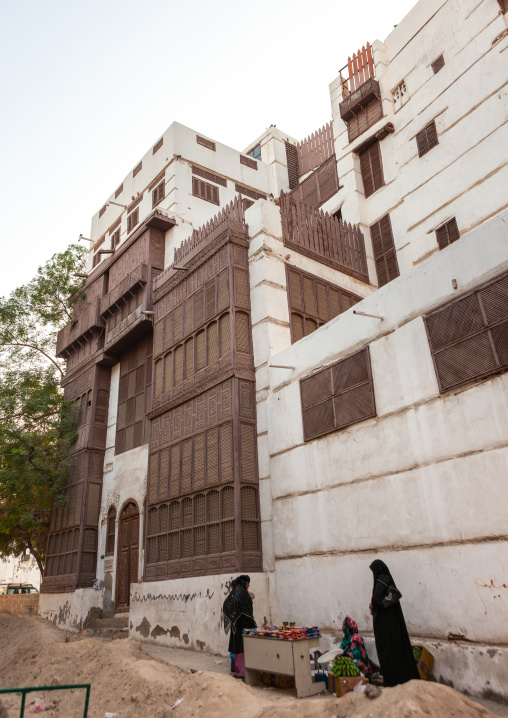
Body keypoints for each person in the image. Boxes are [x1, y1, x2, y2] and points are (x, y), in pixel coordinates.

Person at [369, 559, 420, 687]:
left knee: (389, 652)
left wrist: (372, 604)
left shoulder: (382, 578)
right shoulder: (386, 579)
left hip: (386, 624)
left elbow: (376, 598)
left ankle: (393, 679)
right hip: (391, 623)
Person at [222, 575, 256, 679]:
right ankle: (242, 672)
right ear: (244, 583)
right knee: (242, 648)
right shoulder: (242, 593)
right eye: (248, 584)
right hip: (243, 625)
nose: (248, 586)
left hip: (236, 626)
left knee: (238, 648)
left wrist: (233, 618)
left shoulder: (236, 591)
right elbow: (247, 610)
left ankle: (239, 671)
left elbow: (227, 604)